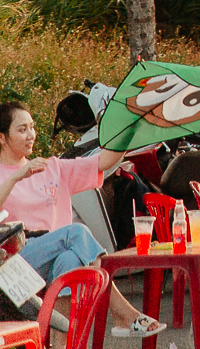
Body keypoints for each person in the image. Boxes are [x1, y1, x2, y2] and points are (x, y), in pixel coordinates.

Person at [0, 100, 169, 338]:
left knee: (69, 260)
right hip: (13, 268)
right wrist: (17, 176)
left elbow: (104, 162)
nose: (31, 135)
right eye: (22, 129)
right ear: (2, 138)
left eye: (32, 127)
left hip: (53, 259)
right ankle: (122, 313)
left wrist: (129, 128)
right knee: (75, 233)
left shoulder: (51, 168)